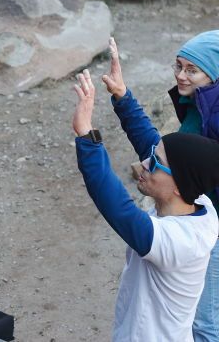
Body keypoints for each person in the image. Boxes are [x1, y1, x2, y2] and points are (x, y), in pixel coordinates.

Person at [73, 66, 219, 341]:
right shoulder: (199, 203)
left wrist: (87, 137)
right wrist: (123, 98)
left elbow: (117, 207)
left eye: (154, 163)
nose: (143, 163)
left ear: (178, 185)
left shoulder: (177, 241)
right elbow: (156, 147)